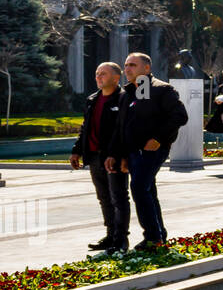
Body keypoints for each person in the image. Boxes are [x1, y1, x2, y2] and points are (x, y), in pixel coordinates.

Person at [104, 53, 188, 250]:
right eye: (126, 65)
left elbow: (179, 116)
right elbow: (121, 126)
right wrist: (116, 154)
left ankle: (152, 237)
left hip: (153, 150)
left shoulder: (161, 89)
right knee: (148, 190)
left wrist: (158, 138)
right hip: (133, 151)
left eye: (133, 65)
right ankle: (159, 235)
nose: (127, 69)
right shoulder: (128, 93)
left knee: (139, 187)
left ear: (147, 68)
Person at [70, 61, 129, 253]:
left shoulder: (123, 99)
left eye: (103, 73)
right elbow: (85, 127)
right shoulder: (92, 99)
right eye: (97, 73)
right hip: (94, 156)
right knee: (104, 197)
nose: (98, 77)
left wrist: (116, 154)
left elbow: (123, 131)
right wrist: (77, 150)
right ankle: (110, 235)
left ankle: (120, 239)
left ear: (116, 77)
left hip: (113, 157)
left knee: (118, 197)